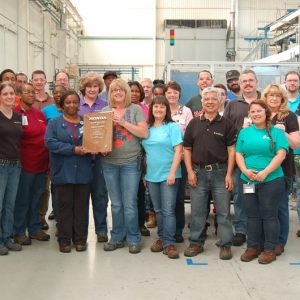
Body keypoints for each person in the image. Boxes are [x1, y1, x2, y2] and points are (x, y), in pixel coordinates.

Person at [183, 87, 236, 260]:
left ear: (220, 101)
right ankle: (196, 242)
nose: (210, 102)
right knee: (198, 211)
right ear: (202, 102)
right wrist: (190, 171)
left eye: (214, 99)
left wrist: (229, 174)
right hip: (198, 173)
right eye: (207, 99)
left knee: (223, 211)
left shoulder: (227, 124)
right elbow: (187, 149)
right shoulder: (194, 123)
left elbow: (231, 151)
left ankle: (225, 244)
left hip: (221, 173)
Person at [236, 100, 288, 264]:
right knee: (251, 214)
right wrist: (245, 171)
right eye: (253, 112)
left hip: (271, 180)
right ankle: (253, 246)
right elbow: (238, 154)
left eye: (259, 111)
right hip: (248, 181)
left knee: (269, 215)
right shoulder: (245, 133)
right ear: (249, 115)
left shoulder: (277, 133)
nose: (256, 114)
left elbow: (281, 154)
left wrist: (265, 172)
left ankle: (269, 249)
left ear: (266, 113)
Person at [101, 78, 148, 254]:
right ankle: (117, 237)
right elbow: (99, 136)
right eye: (114, 90)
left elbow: (144, 132)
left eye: (121, 90)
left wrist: (123, 123)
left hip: (130, 163)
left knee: (129, 203)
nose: (118, 93)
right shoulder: (105, 111)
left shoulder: (135, 110)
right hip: (109, 163)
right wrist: (100, 149)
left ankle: (133, 238)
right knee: (116, 204)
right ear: (110, 94)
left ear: (126, 92)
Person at [45, 90, 92, 253]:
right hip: (62, 172)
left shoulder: (87, 122)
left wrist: (98, 147)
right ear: (62, 105)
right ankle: (64, 240)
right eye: (68, 102)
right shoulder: (54, 123)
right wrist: (73, 149)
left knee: (81, 208)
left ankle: (80, 239)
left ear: (79, 104)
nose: (72, 105)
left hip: (83, 172)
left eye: (75, 102)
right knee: (64, 208)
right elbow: (50, 143)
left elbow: (97, 139)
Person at [142, 96, 183, 259]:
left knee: (168, 210)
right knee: (158, 210)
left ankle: (169, 243)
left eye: (162, 107)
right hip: (152, 176)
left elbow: (179, 151)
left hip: (169, 175)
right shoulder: (147, 128)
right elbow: (144, 153)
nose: (158, 109)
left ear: (167, 110)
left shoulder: (172, 127)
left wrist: (172, 172)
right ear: (151, 109)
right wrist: (144, 174)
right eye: (156, 107)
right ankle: (161, 237)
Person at [223, 69, 261, 246]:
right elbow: (227, 131)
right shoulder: (233, 105)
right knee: (242, 195)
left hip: (263, 159)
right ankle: (241, 230)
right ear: (240, 83)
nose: (247, 84)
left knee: (262, 195)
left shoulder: (265, 101)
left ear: (256, 82)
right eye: (244, 81)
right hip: (240, 159)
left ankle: (259, 229)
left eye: (250, 80)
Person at [262, 83, 300, 256]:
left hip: (283, 169)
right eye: (271, 95)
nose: (274, 98)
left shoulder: (289, 116)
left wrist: (282, 133)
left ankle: (279, 241)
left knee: (280, 207)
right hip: (262, 168)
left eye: (277, 96)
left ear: (282, 98)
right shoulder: (260, 114)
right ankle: (266, 239)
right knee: (263, 206)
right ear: (265, 98)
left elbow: (296, 143)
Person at [13, 83, 50, 245]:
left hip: (41, 163)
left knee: (36, 197)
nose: (31, 95)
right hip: (25, 164)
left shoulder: (39, 114)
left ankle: (34, 228)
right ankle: (19, 231)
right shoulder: (14, 114)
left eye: (33, 92)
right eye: (27, 92)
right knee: (23, 199)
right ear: (19, 94)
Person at [78, 71, 109, 243]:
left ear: (100, 88)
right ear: (83, 88)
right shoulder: (76, 106)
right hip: (80, 158)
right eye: (89, 86)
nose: (92, 89)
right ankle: (81, 231)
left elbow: (108, 131)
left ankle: (102, 229)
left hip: (100, 159)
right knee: (81, 197)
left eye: (95, 86)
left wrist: (104, 147)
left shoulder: (105, 106)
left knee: (100, 196)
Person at [164, 80, 193, 243]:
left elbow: (189, 135)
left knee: (177, 197)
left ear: (179, 94)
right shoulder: (160, 109)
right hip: (163, 159)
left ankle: (177, 230)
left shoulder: (186, 111)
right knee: (164, 199)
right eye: (169, 92)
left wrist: (183, 154)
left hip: (180, 159)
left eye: (175, 92)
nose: (172, 95)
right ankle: (165, 230)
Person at [0, 82, 23, 255]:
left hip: (15, 165)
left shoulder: (17, 116)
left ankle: (7, 238)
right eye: (5, 94)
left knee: (10, 204)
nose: (8, 96)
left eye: (11, 93)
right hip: (1, 165)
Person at [31, 70, 54, 230]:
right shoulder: (28, 101)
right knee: (30, 187)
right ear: (32, 81)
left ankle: (41, 217)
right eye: (36, 80)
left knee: (45, 188)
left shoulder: (53, 102)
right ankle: (29, 217)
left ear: (46, 82)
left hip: (49, 153)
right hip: (31, 153)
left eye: (41, 80)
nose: (39, 82)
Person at [42, 85, 66, 223]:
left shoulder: (72, 109)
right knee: (55, 188)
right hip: (52, 154)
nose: (58, 95)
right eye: (55, 92)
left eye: (61, 92)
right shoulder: (46, 111)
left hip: (70, 155)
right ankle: (58, 219)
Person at [128, 81, 150, 237]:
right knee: (128, 195)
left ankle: (141, 223)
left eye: (137, 91)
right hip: (127, 153)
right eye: (131, 91)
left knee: (140, 193)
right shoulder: (121, 110)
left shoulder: (146, 110)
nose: (134, 93)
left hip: (143, 153)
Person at [285, 71, 300, 237]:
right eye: (290, 80)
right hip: (283, 154)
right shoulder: (279, 100)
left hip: (299, 151)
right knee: (286, 190)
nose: (292, 83)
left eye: (295, 80)